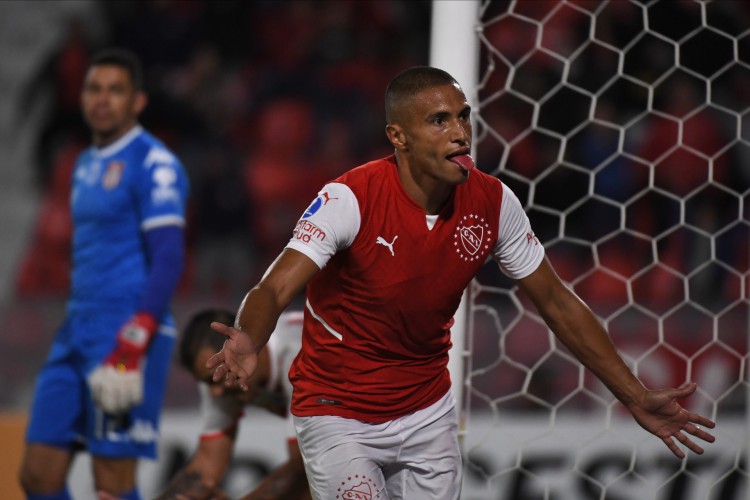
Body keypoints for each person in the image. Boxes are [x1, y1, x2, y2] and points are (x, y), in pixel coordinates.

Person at [205, 66, 716, 500]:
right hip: (339, 410)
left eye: (464, 116)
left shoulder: (493, 203)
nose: (461, 133)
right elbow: (274, 286)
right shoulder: (350, 198)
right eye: (439, 120)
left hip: (426, 411)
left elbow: (557, 303)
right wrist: (251, 336)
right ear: (398, 137)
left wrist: (632, 393)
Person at [19, 47, 190, 500]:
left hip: (126, 329)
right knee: (37, 476)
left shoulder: (155, 164)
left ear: (137, 101)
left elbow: (169, 257)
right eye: (94, 88)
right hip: (76, 330)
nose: (102, 99)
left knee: (111, 484)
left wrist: (135, 337)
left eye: (116, 90)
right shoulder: (82, 164)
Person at [157, 308, 310, 500]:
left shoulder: (299, 356)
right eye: (207, 383)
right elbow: (205, 471)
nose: (216, 392)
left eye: (214, 382)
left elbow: (304, 468)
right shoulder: (220, 373)